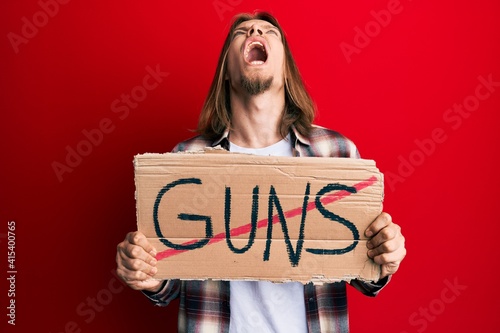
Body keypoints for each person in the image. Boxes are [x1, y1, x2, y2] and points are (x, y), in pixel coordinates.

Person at [116, 11, 406, 333]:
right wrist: (145, 271)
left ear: (285, 69)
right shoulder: (187, 160)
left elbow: (364, 277)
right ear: (226, 70)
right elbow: (168, 285)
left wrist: (384, 256)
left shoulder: (337, 153)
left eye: (271, 31)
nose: (255, 30)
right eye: (241, 32)